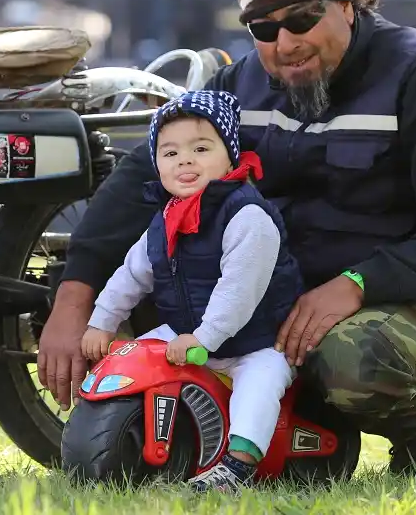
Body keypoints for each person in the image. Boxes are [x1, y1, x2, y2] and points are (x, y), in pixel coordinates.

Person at [41, 0, 416, 483]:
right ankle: (236, 442)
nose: (285, 42)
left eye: (302, 18)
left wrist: (354, 286)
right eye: (263, 27)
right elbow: (141, 181)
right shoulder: (235, 87)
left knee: (349, 362)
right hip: (281, 292)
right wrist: (75, 301)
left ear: (347, 2)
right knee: (154, 303)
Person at [81, 89, 304, 490]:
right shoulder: (166, 218)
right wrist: (103, 322)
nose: (185, 159)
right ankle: (115, 432)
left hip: (256, 339)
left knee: (261, 382)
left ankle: (237, 467)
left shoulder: (248, 216)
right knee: (136, 357)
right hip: (188, 331)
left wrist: (204, 337)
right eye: (170, 154)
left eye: (201, 148)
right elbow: (132, 273)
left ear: (229, 155)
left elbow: (239, 291)